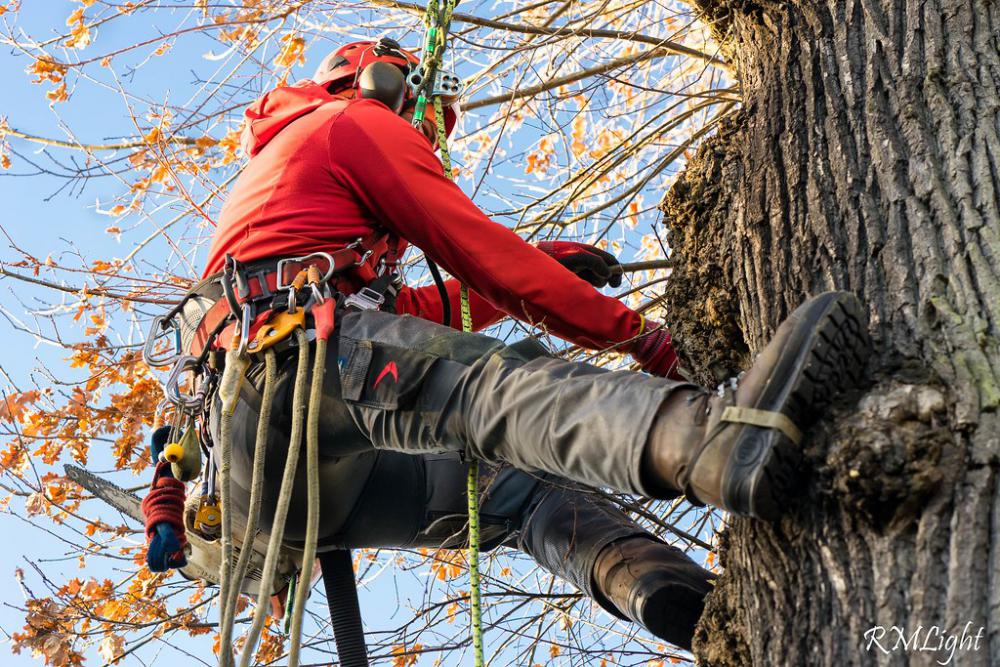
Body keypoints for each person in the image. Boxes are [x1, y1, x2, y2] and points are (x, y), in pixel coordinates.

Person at [180, 38, 869, 650]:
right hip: (294, 367)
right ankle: (708, 443)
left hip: (270, 479)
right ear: (378, 82)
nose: (428, 139)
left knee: (518, 495)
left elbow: (426, 306)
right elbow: (480, 256)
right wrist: (639, 337)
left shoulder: (292, 195)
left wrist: (549, 260)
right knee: (491, 387)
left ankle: (676, 598)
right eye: (423, 119)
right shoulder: (352, 124)